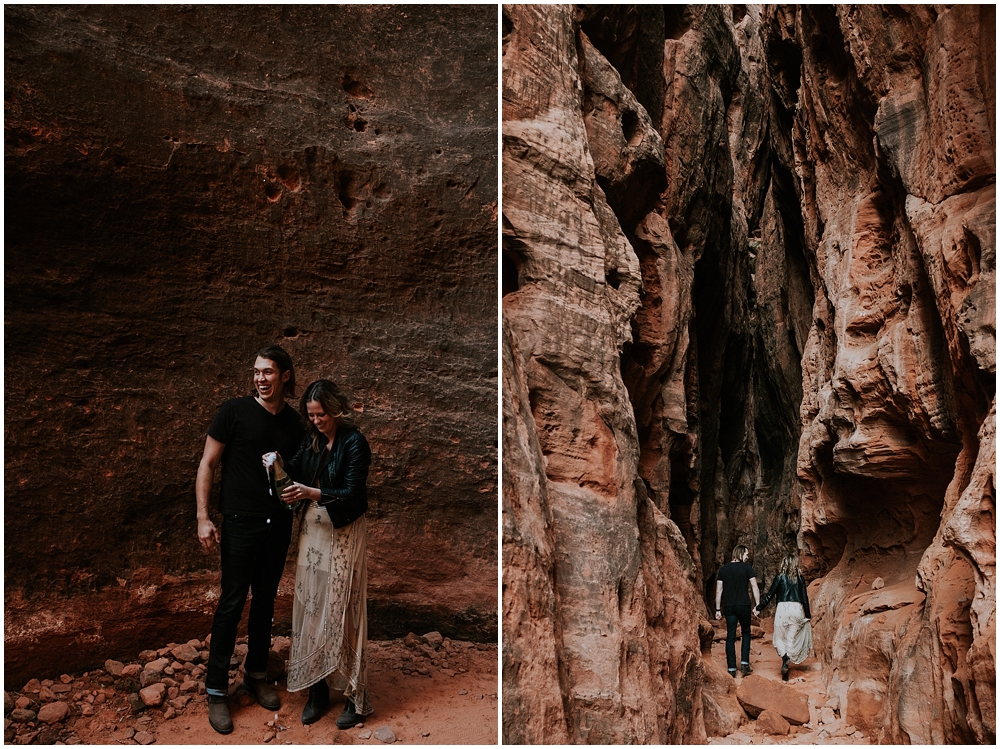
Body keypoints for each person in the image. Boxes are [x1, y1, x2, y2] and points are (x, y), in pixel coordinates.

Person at [195, 345, 305, 735]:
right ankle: (215, 690)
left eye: (268, 372)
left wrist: (290, 482)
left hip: (279, 523)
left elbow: (297, 476)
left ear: (285, 376)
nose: (260, 378)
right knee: (232, 601)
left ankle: (256, 674)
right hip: (241, 522)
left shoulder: (294, 423)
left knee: (266, 600)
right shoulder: (234, 411)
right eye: (257, 371)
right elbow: (207, 463)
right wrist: (203, 517)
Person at [268, 379, 373, 729]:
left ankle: (354, 696)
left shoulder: (355, 443)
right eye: (311, 415)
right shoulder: (311, 439)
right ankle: (317, 689)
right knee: (312, 607)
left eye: (322, 415)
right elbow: (293, 472)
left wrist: (312, 492)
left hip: (343, 531)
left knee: (343, 608)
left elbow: (351, 492)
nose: (316, 421)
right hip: (313, 533)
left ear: (336, 410)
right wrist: (278, 463)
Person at [754, 554, 812, 681]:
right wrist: (807, 615)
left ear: (784, 563)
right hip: (797, 609)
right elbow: (805, 599)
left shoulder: (780, 577)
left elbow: (770, 595)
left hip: (782, 610)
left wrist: (759, 608)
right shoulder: (800, 579)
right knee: (790, 639)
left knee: (778, 639)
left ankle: (785, 658)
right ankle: (786, 667)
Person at [714, 545, 761, 677]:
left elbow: (719, 590)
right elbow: (754, 587)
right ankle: (745, 664)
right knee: (746, 632)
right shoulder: (747, 568)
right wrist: (758, 605)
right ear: (740, 554)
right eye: (746, 554)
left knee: (730, 635)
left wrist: (718, 609)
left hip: (729, 606)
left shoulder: (723, 569)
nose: (748, 556)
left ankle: (732, 668)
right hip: (743, 605)